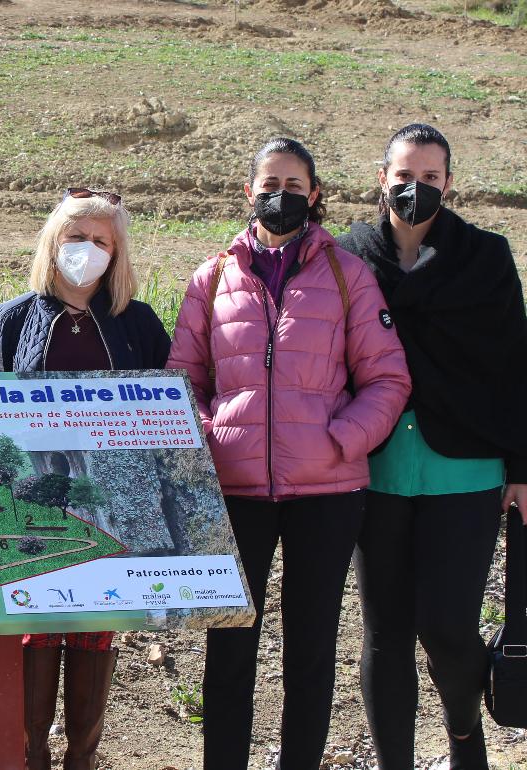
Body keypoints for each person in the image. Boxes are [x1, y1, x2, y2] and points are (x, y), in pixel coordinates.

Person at [167, 137, 411, 770]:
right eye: (270, 185)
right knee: (228, 653)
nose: (283, 197)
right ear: (250, 193)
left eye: (296, 187)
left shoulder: (346, 275)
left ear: (315, 194)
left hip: (327, 494)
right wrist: (210, 440)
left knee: (310, 650)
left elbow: (387, 379)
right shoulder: (213, 277)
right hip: (234, 492)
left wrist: (341, 439)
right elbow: (182, 380)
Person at [337, 123, 527, 770]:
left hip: (466, 469)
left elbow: (515, 365)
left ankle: (464, 739)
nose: (413, 188)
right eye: (402, 176)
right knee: (385, 633)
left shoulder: (486, 256)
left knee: (448, 627)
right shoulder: (349, 255)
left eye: (428, 177)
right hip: (375, 467)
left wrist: (523, 467)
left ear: (449, 182)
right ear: (381, 178)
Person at [0, 188, 168, 770]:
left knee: (95, 625)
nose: (85, 250)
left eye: (100, 241)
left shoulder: (137, 324)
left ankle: (82, 758)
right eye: (75, 237)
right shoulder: (14, 319)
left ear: (116, 254)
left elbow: (168, 410)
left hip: (107, 503)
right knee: (36, 629)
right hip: (34, 509)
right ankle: (30, 756)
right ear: (52, 241)